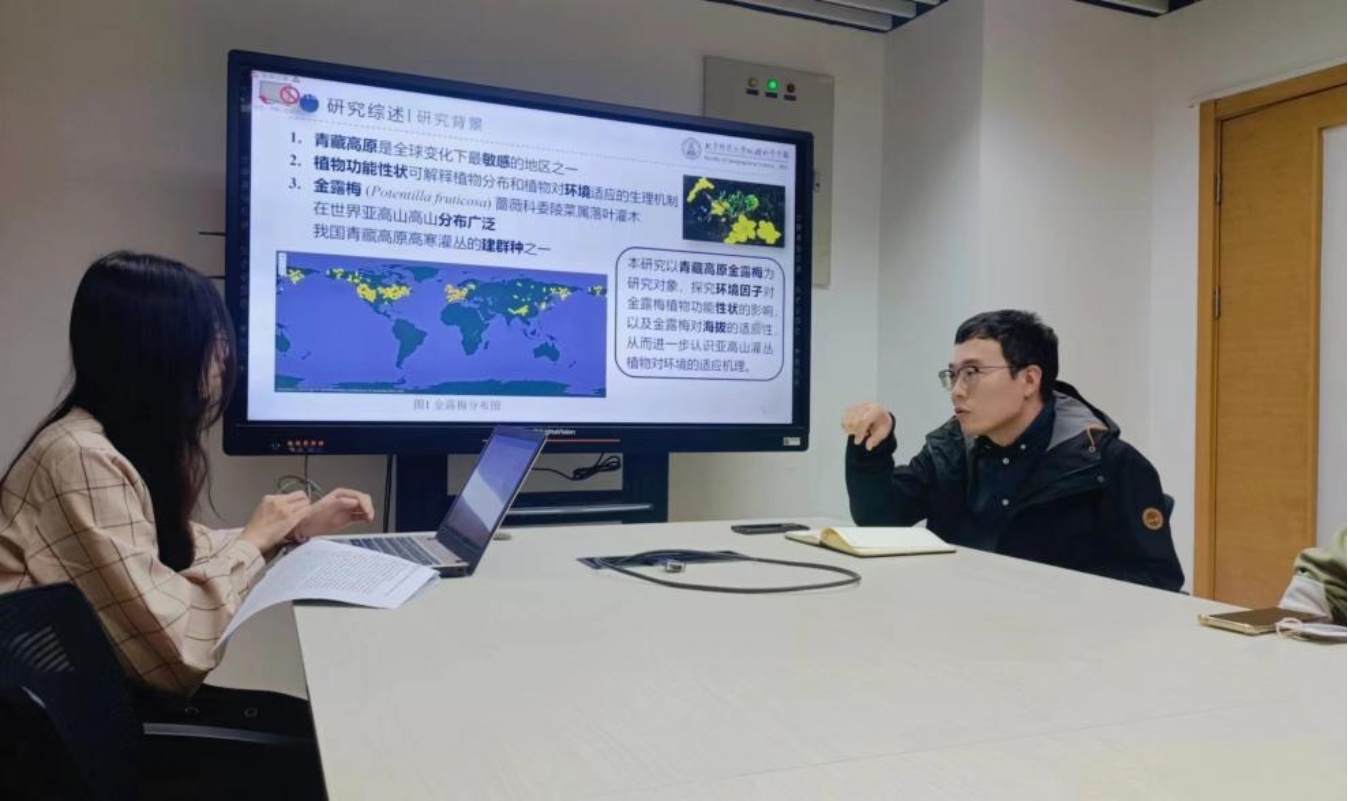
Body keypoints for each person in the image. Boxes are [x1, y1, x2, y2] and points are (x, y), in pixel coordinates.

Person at [0, 251, 373, 730]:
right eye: (213, 341)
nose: (223, 360)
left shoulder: (93, 441)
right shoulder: (80, 457)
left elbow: (164, 555)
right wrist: (252, 543)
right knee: (324, 734)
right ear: (161, 351)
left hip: (98, 713)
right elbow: (179, 654)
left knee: (313, 722)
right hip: (92, 737)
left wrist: (286, 530)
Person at [842, 309, 1184, 591]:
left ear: (1029, 380)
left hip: (1060, 639)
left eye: (972, 372)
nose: (956, 390)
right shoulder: (951, 448)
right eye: (953, 374)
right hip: (956, 623)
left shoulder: (1108, 464)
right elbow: (879, 518)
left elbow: (1158, 580)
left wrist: (1047, 591)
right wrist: (872, 446)